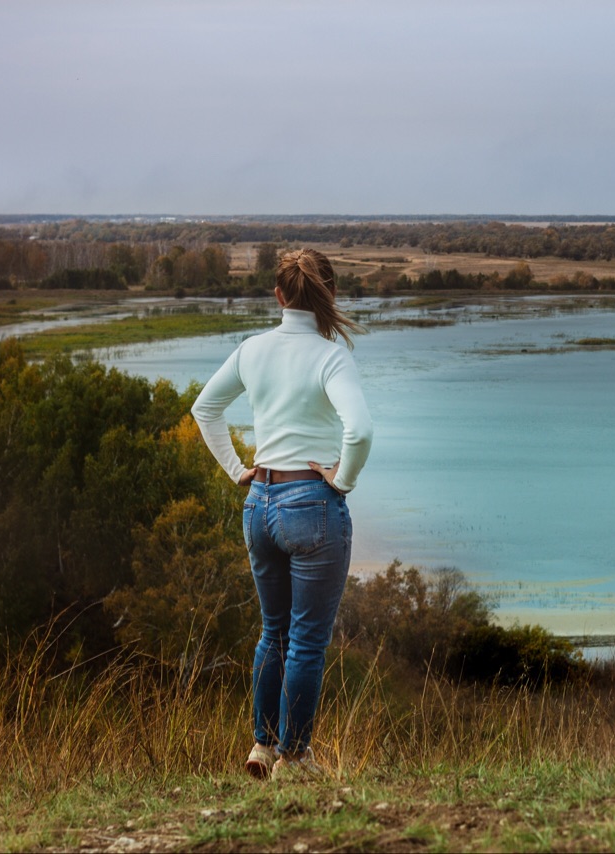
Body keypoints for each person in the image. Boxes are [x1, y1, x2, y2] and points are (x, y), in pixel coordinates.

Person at [191, 248, 372, 781]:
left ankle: (262, 748)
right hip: (312, 507)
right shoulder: (330, 355)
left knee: (273, 635)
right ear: (329, 294)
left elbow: (205, 408)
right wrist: (343, 480)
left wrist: (236, 469)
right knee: (308, 641)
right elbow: (359, 432)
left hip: (260, 502)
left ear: (278, 296)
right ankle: (295, 757)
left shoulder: (252, 350)